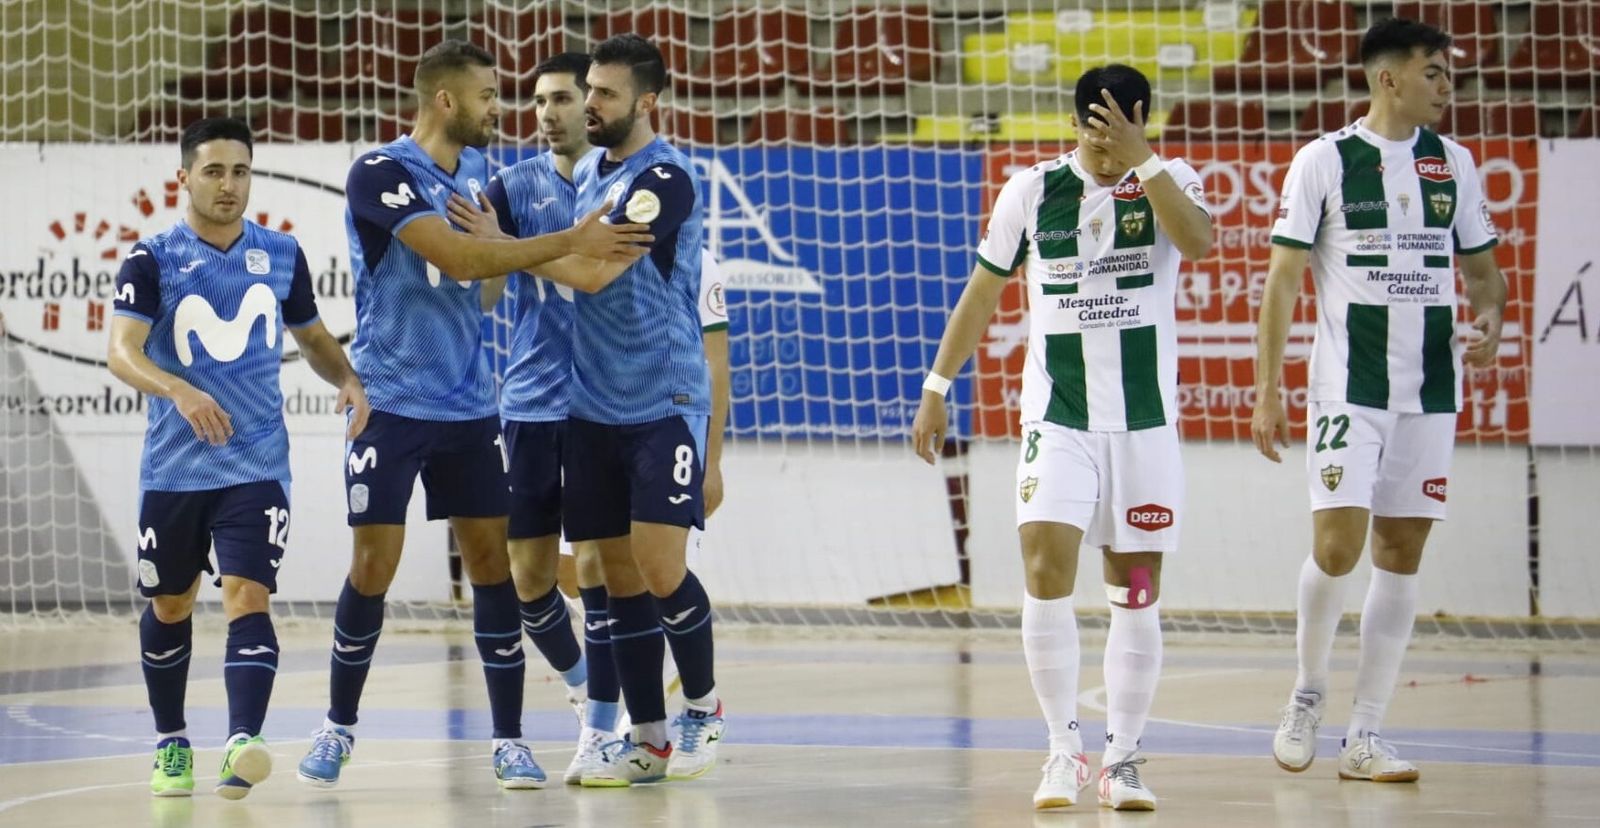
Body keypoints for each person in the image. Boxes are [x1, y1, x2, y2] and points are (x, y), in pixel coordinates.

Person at [292, 39, 651, 791]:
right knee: (372, 569)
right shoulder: (380, 172)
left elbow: (483, 282)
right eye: (489, 96)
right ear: (446, 100)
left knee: (495, 572)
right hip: (390, 407)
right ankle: (338, 726)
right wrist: (565, 242)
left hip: (469, 409)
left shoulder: (486, 177)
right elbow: (457, 259)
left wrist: (519, 261)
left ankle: (511, 741)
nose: (502, 109)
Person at [911, 65, 1214, 812]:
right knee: (1045, 566)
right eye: (1096, 133)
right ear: (1075, 124)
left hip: (1143, 425)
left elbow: (1201, 244)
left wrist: (1143, 160)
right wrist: (936, 388)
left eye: (1122, 133)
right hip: (1059, 417)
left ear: (1143, 123)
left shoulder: (1173, 180)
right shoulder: (1032, 190)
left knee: (1135, 591)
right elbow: (981, 293)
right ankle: (1061, 751)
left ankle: (1125, 759)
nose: (1106, 150)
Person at [1256, 17, 1505, 783]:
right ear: (1388, 77)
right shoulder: (1324, 162)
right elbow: (1284, 281)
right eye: (1435, 72)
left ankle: (1365, 736)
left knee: (1401, 553)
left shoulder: (1454, 164)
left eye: (1450, 74)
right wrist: (1268, 387)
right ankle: (1305, 694)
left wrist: (1490, 319)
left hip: (1430, 390)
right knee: (1337, 548)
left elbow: (1485, 276)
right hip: (1348, 388)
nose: (1447, 87)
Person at [108, 116, 371, 800]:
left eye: (241, 171)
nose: (229, 185)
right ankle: (171, 741)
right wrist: (180, 391)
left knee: (247, 594)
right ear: (185, 177)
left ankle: (243, 740)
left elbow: (310, 335)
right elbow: (122, 352)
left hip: (256, 464)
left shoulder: (281, 254)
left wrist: (345, 378)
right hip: (175, 467)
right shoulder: (152, 257)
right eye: (214, 171)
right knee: (170, 605)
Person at [564, 34, 724, 787]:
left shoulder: (666, 178)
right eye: (588, 90)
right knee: (616, 577)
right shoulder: (588, 170)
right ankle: (649, 738)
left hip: (663, 399)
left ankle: (703, 708)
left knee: (660, 566)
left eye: (604, 93)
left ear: (647, 102)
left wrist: (505, 249)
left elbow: (593, 271)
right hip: (591, 405)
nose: (589, 103)